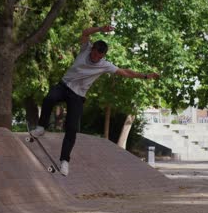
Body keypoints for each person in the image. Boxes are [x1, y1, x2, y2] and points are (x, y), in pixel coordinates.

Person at [30, 25, 159, 176]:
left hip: (78, 96)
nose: (96, 58)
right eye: (95, 55)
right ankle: (41, 127)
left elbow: (125, 72)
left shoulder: (105, 65)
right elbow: (84, 32)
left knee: (72, 128)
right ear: (92, 49)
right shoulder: (85, 48)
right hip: (64, 86)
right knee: (49, 98)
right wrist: (100, 29)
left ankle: (64, 161)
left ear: (103, 56)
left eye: (99, 57)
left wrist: (145, 76)